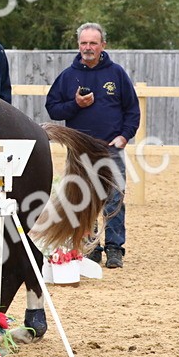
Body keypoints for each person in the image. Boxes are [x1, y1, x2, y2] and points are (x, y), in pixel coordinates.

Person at [44, 22, 140, 269]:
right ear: (78, 45)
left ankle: (114, 248)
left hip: (111, 148)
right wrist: (75, 105)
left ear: (102, 45)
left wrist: (125, 136)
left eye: (93, 43)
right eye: (84, 43)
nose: (88, 48)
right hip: (80, 150)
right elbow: (52, 108)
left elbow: (132, 109)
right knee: (82, 199)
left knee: (114, 198)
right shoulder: (67, 76)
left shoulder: (116, 74)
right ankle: (90, 247)